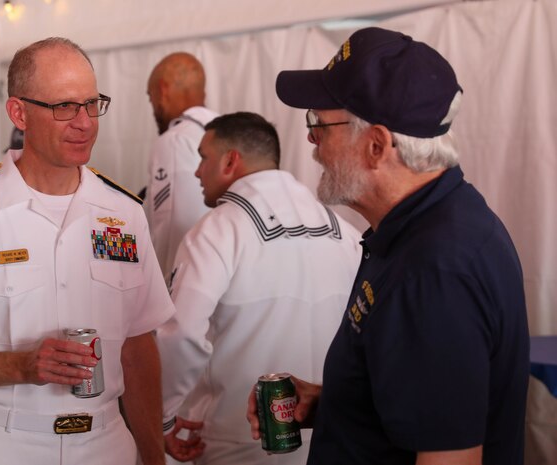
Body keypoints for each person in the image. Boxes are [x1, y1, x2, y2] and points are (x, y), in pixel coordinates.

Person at [246, 27, 530, 465]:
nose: (311, 140)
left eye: (319, 124)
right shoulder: (427, 226)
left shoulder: (435, 271)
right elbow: (418, 404)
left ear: (376, 145)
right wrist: (333, 403)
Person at [0, 37, 174, 465]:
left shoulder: (123, 213)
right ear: (19, 113)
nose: (85, 123)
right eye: (64, 107)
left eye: (93, 104)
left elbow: (137, 348)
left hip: (105, 446)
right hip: (1, 444)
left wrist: (154, 457)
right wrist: (19, 367)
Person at [157, 112, 361, 464]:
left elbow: (181, 334)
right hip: (331, 435)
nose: (196, 171)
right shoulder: (347, 233)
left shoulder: (216, 232)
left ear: (230, 161)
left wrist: (163, 414)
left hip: (240, 439)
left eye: (203, 157)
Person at [145, 52, 219, 278]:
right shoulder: (228, 132)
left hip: (187, 289)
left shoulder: (176, 140)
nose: (154, 108)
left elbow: (171, 232)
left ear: (163, 90)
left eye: (151, 98)